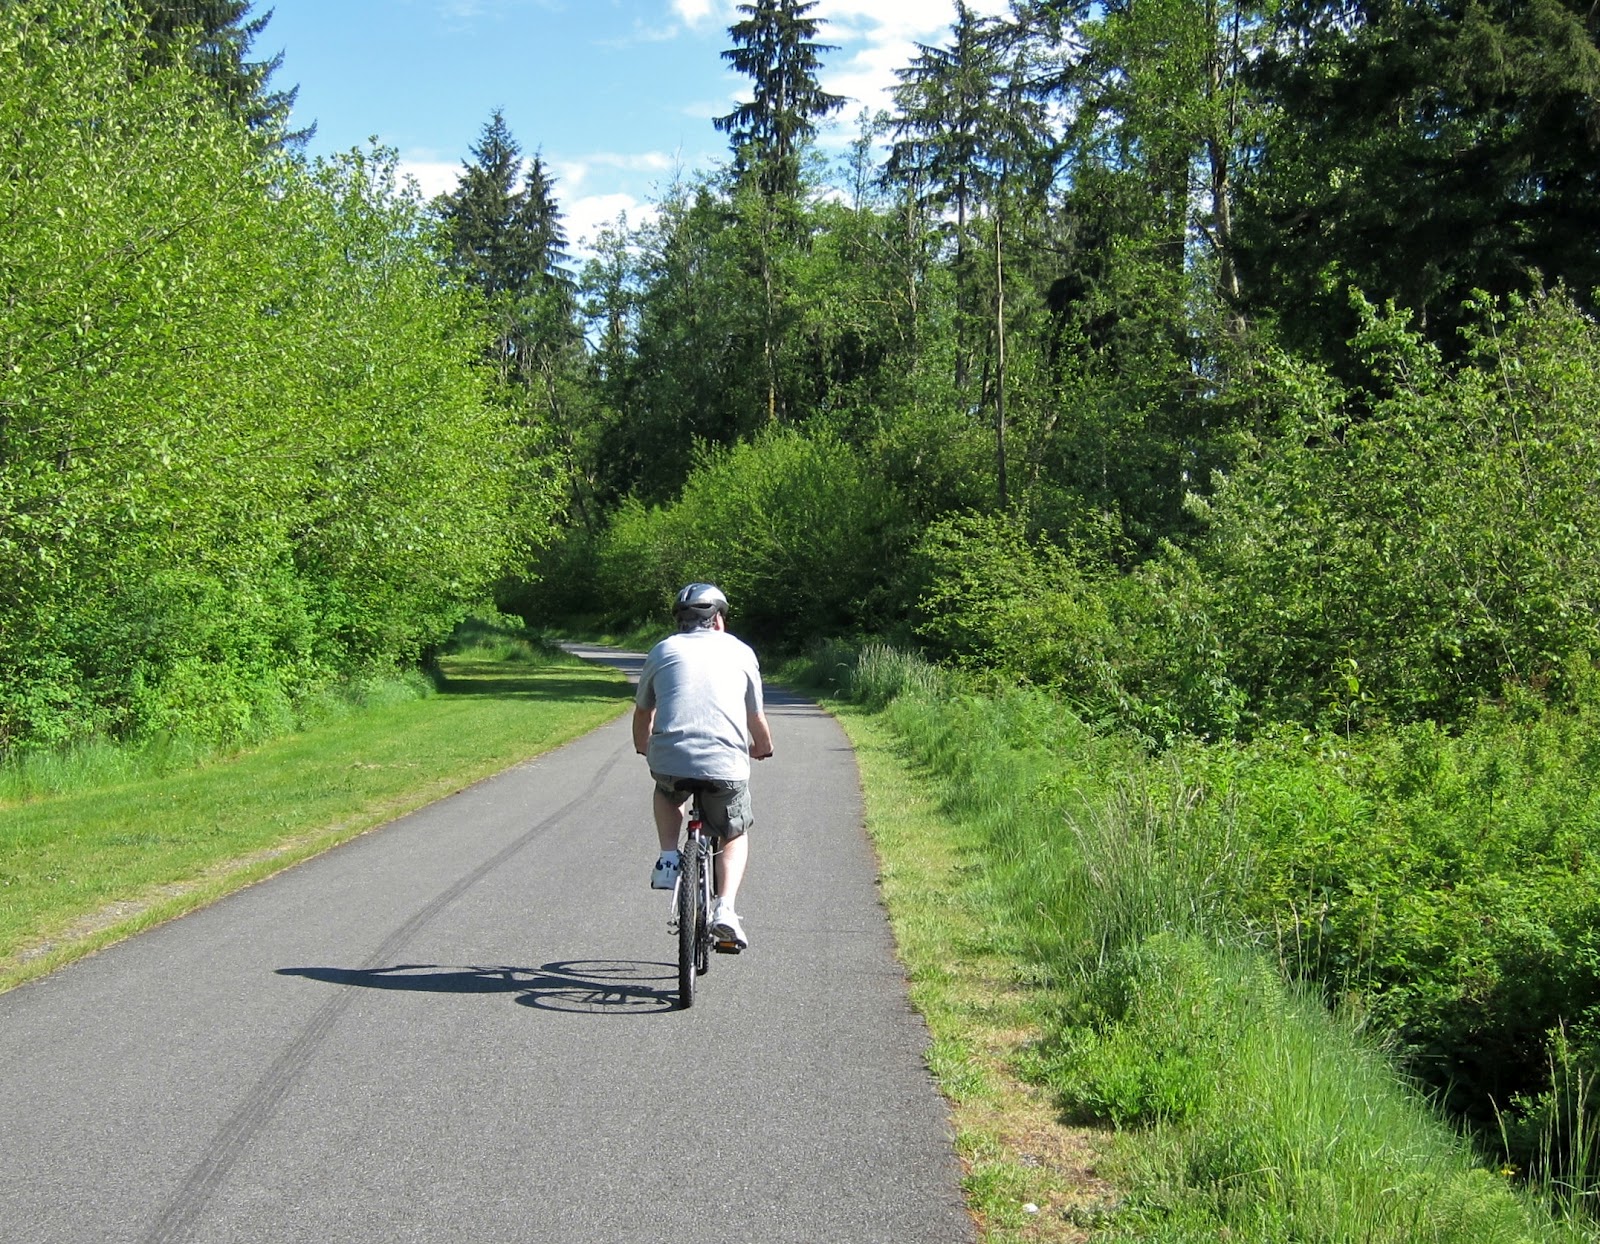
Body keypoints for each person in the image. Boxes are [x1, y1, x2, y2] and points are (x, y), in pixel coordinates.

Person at [632, 582, 774, 951]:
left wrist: (643, 747)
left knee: (667, 789)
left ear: (680, 621)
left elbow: (644, 711)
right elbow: (754, 716)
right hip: (725, 763)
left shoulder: (662, 650)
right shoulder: (742, 652)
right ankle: (725, 909)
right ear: (718, 620)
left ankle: (667, 858)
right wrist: (764, 747)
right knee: (734, 830)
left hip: (670, 757)